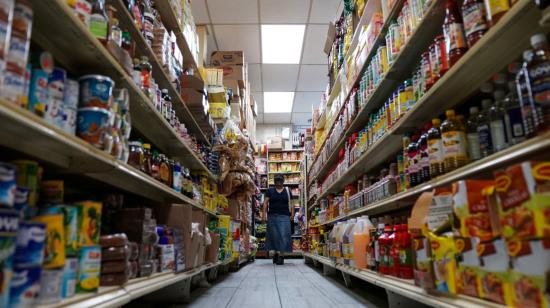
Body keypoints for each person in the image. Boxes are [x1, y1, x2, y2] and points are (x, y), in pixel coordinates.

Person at [262, 175, 293, 265]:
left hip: (284, 216)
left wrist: (292, 213)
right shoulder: (270, 191)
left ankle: (281, 255)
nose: (278, 182)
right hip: (272, 216)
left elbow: (291, 203)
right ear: (274, 181)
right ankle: (275, 253)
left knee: (283, 235)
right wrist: (264, 215)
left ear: (283, 181)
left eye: (280, 180)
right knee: (274, 236)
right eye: (277, 180)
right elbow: (265, 203)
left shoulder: (287, 190)